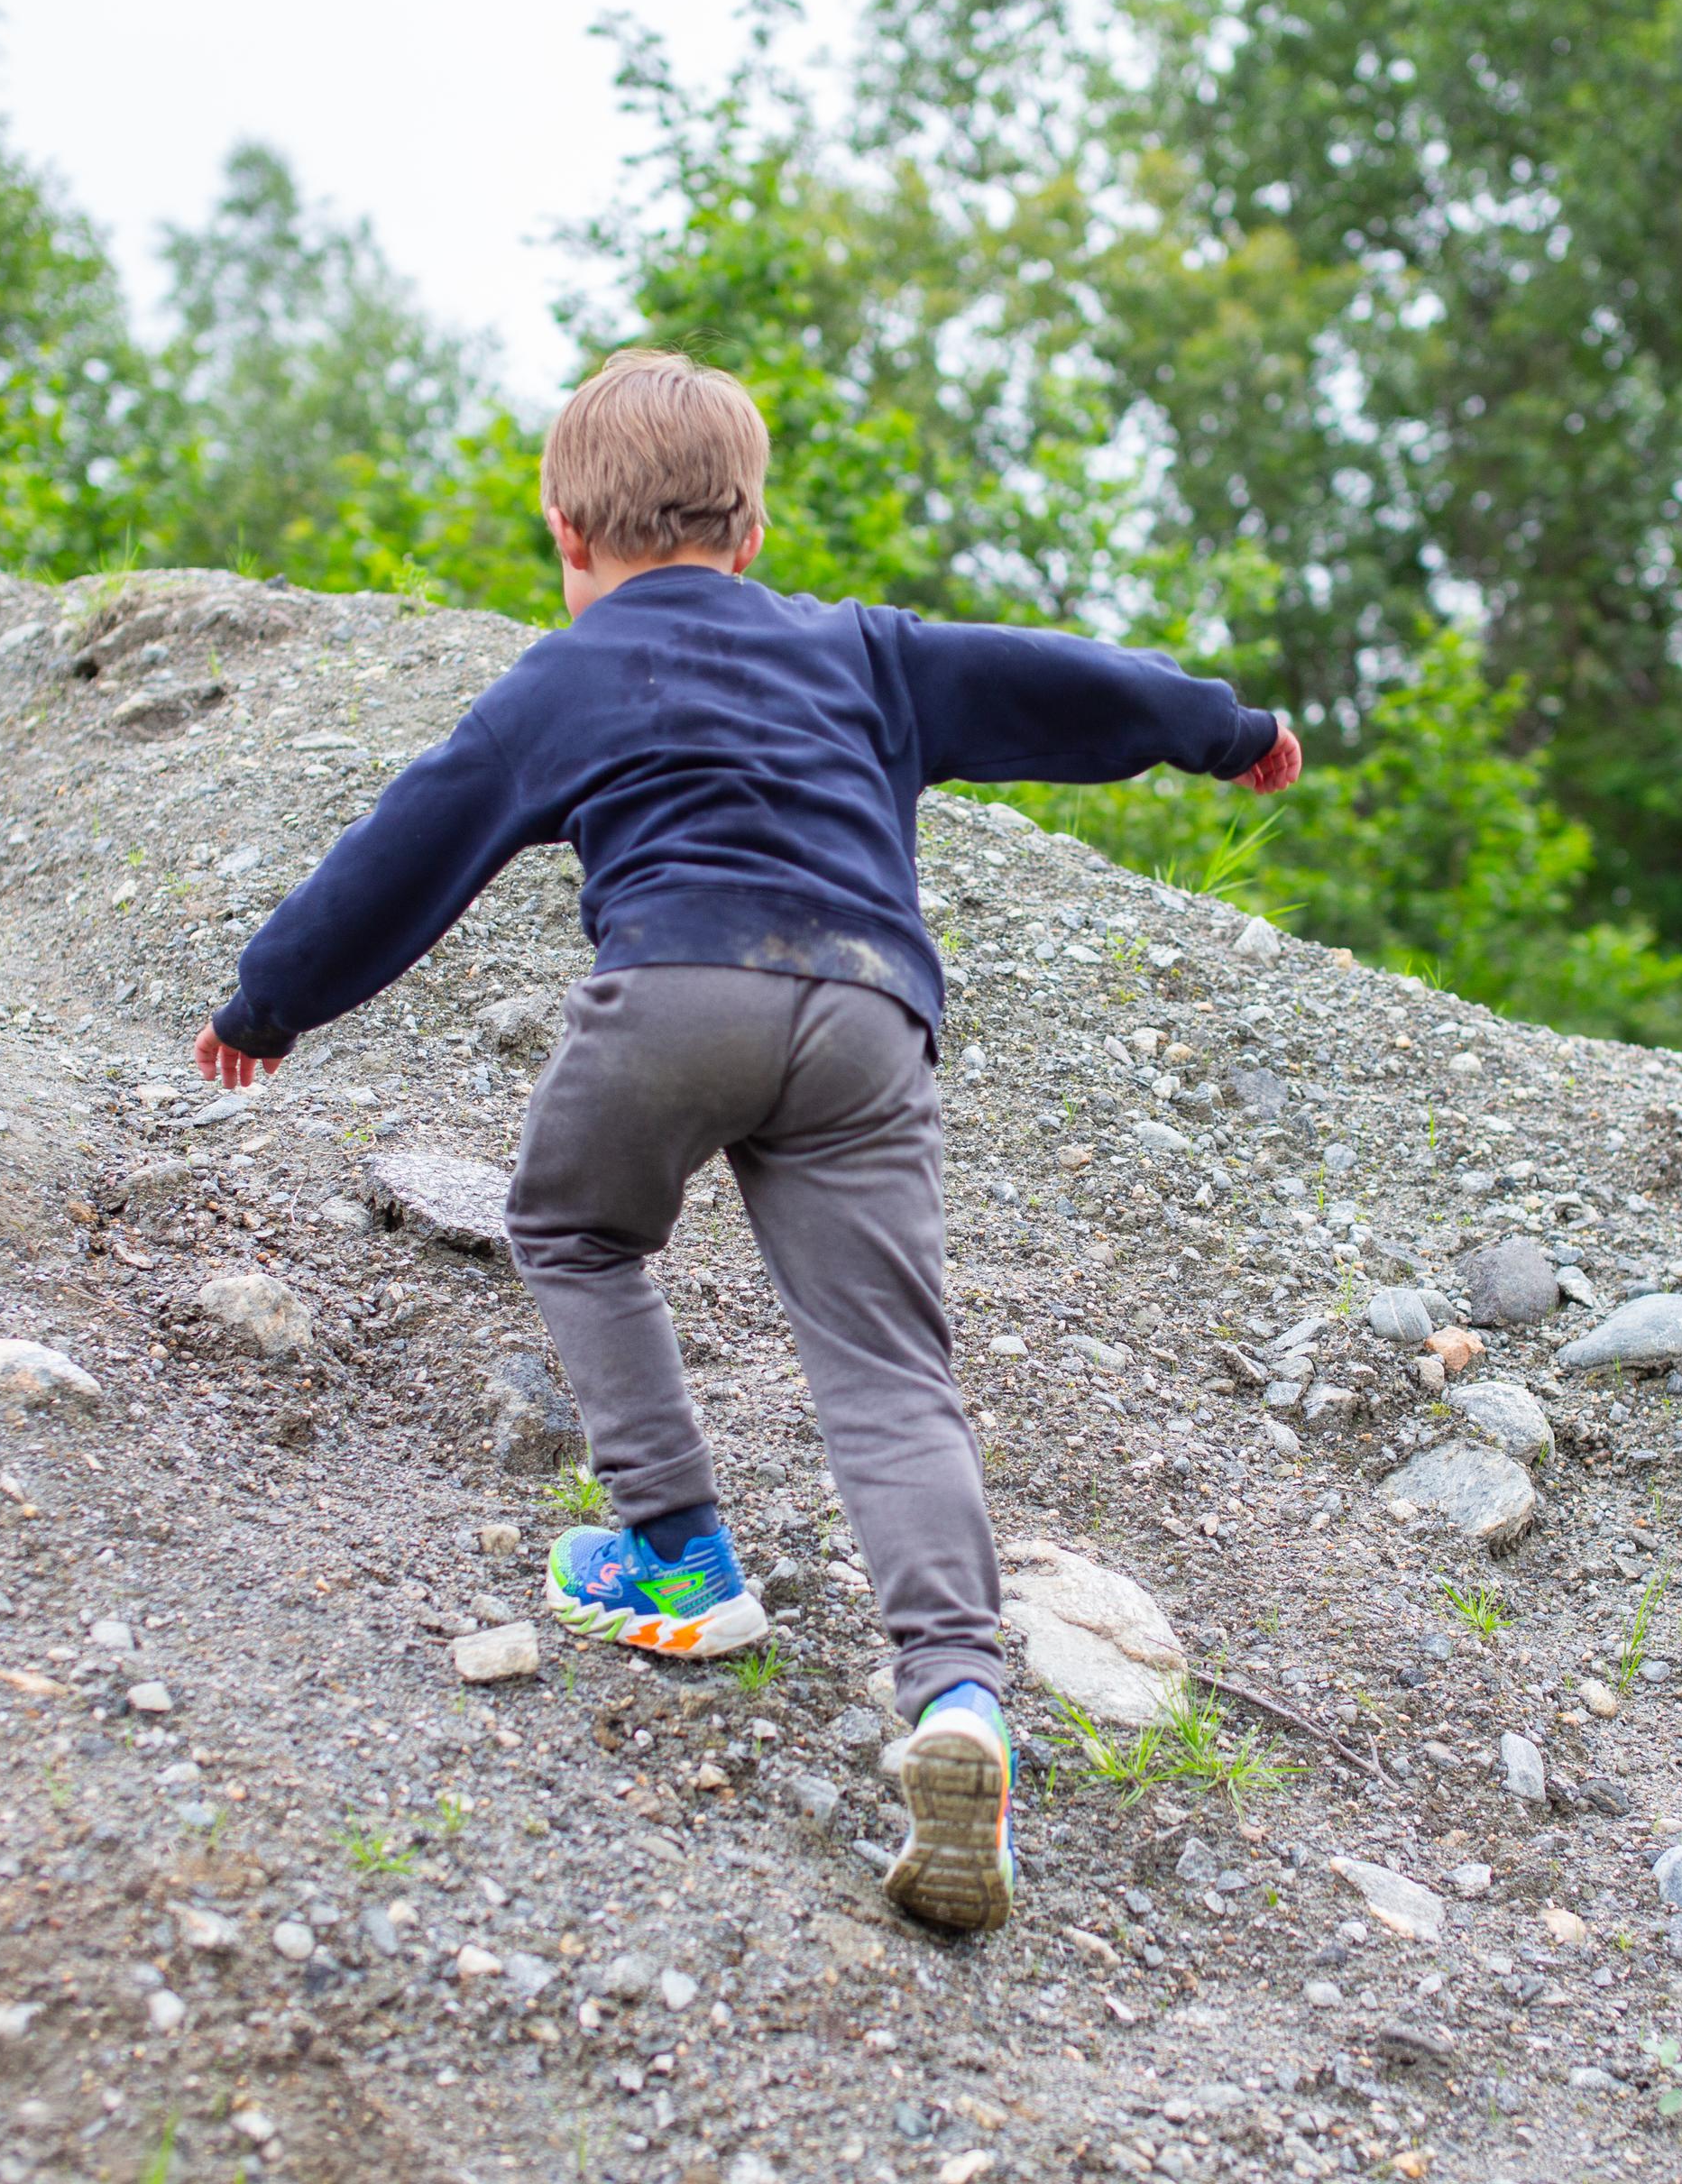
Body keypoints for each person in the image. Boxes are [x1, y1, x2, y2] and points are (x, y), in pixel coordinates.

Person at [193, 346, 1301, 1929]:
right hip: (867, 1013)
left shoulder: (562, 676)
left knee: (576, 1227)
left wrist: (271, 1002)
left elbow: (404, 851)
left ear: (567, 533)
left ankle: (676, 1555)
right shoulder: (862, 651)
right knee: (889, 1366)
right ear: (754, 533)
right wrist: (1221, 728)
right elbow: (1060, 682)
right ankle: (959, 1696)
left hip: (675, 991)